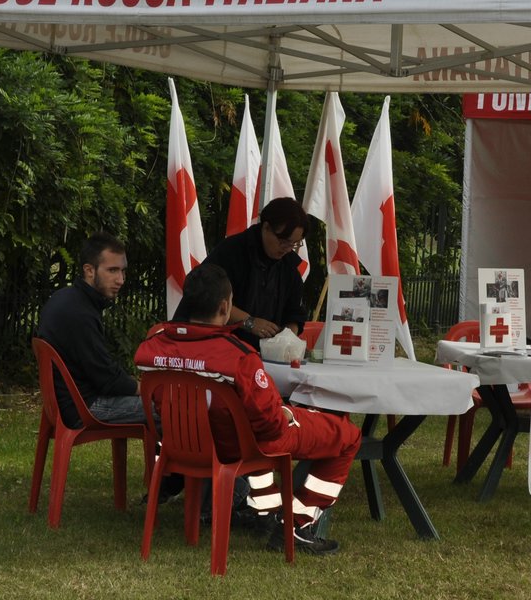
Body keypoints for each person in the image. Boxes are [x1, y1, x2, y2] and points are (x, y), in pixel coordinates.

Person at [135, 263, 360, 555]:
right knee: (348, 435)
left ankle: (265, 509)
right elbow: (269, 425)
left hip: (180, 446)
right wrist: (289, 414)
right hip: (236, 447)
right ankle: (297, 525)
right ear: (226, 306)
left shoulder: (152, 345)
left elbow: (152, 398)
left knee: (246, 422)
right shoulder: (238, 357)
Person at [35, 233, 144, 427]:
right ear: (89, 270)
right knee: (167, 407)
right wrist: (144, 389)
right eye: (112, 270)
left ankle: (167, 457)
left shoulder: (66, 298)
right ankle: (181, 457)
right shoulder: (79, 313)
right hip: (83, 406)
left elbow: (100, 369)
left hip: (68, 402)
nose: (121, 280)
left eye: (122, 271)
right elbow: (107, 380)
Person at [202, 196, 308, 347]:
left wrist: (287, 338)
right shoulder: (231, 252)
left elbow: (294, 313)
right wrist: (249, 322)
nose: (288, 249)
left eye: (295, 244)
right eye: (283, 241)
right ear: (266, 227)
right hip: (221, 347)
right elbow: (206, 296)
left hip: (268, 354)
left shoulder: (289, 266)